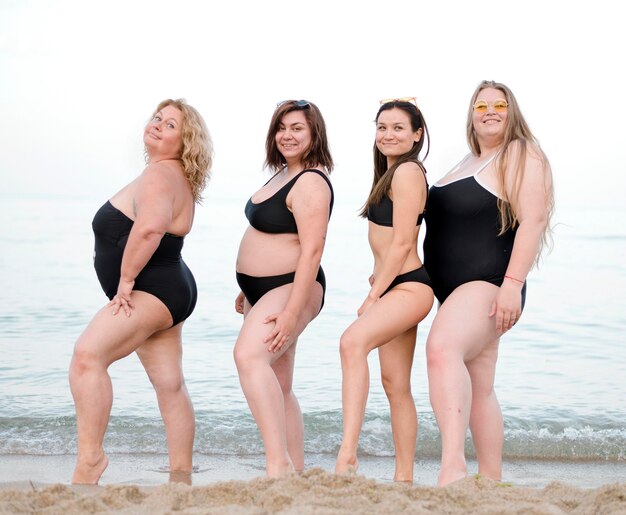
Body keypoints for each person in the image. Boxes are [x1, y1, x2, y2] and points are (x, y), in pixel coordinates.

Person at [69, 98, 213, 485]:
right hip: (172, 287)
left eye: (170, 125)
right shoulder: (170, 175)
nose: (157, 125)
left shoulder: (160, 175)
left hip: (151, 288)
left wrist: (127, 280)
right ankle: (181, 475)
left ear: (185, 142)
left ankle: (90, 460)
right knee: (170, 383)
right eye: (157, 118)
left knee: (87, 357)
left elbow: (149, 228)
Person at [423, 80, 554, 486]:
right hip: (457, 291)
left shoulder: (521, 152)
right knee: (479, 385)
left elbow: (533, 219)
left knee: (441, 349)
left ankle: (452, 468)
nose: (490, 111)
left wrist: (513, 283)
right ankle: (492, 482)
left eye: (499, 104)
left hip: (491, 283)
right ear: (471, 115)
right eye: (482, 106)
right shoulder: (467, 161)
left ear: (512, 112)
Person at [233, 99, 334, 477]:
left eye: (297, 129)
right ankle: (296, 470)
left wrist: (290, 311)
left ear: (314, 134)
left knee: (248, 357)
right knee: (280, 382)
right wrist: (251, 287)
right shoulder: (282, 174)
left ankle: (278, 466)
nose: (287, 135)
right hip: (266, 291)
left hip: (294, 287)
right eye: (282, 128)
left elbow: (312, 250)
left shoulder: (310, 180)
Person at [335, 98, 434, 482]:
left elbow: (403, 243)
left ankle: (346, 457)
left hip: (407, 288)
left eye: (397, 127)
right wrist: (379, 281)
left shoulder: (408, 172)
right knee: (396, 386)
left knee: (351, 343)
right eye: (382, 127)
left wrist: (375, 296)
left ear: (416, 135)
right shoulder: (390, 173)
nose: (388, 134)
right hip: (395, 286)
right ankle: (404, 478)